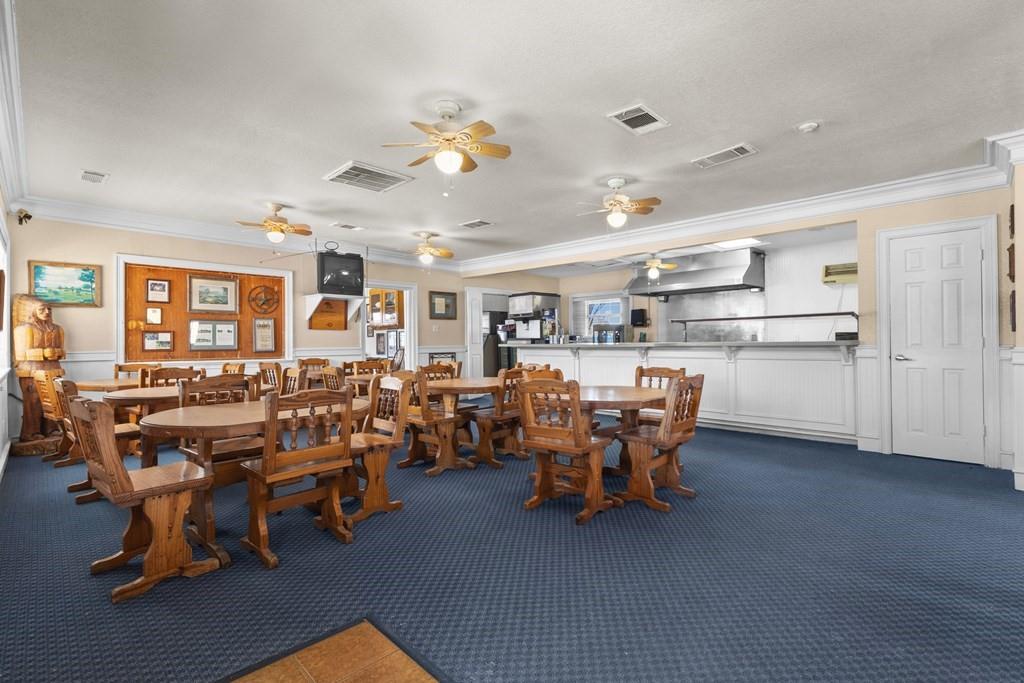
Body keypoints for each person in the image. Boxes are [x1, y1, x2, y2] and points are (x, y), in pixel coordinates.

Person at [13, 295, 65, 441]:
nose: (47, 312)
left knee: (54, 400)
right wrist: (43, 353)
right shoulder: (24, 329)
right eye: (42, 309)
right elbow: (21, 354)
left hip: (53, 369)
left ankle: (52, 428)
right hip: (31, 370)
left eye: (49, 309)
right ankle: (31, 432)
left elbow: (62, 351)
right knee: (33, 402)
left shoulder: (57, 329)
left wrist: (56, 352)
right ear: (32, 311)